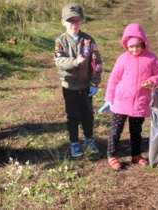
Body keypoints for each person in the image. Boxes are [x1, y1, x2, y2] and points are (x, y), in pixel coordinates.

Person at [98, 23, 158, 171]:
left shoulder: (151, 58)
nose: (134, 49)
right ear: (126, 46)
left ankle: (136, 154)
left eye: (137, 46)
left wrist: (152, 81)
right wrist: (109, 99)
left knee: (136, 130)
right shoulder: (123, 59)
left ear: (144, 43)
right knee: (115, 130)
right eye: (131, 47)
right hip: (121, 101)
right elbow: (114, 79)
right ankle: (111, 155)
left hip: (140, 101)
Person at [54, 3, 102, 157]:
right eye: (70, 21)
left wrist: (94, 82)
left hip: (86, 85)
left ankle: (89, 139)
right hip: (69, 86)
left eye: (77, 21)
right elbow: (59, 62)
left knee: (88, 114)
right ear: (63, 22)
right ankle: (74, 142)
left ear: (82, 21)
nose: (74, 25)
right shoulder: (60, 41)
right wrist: (74, 62)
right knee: (72, 115)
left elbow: (96, 62)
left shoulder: (88, 40)